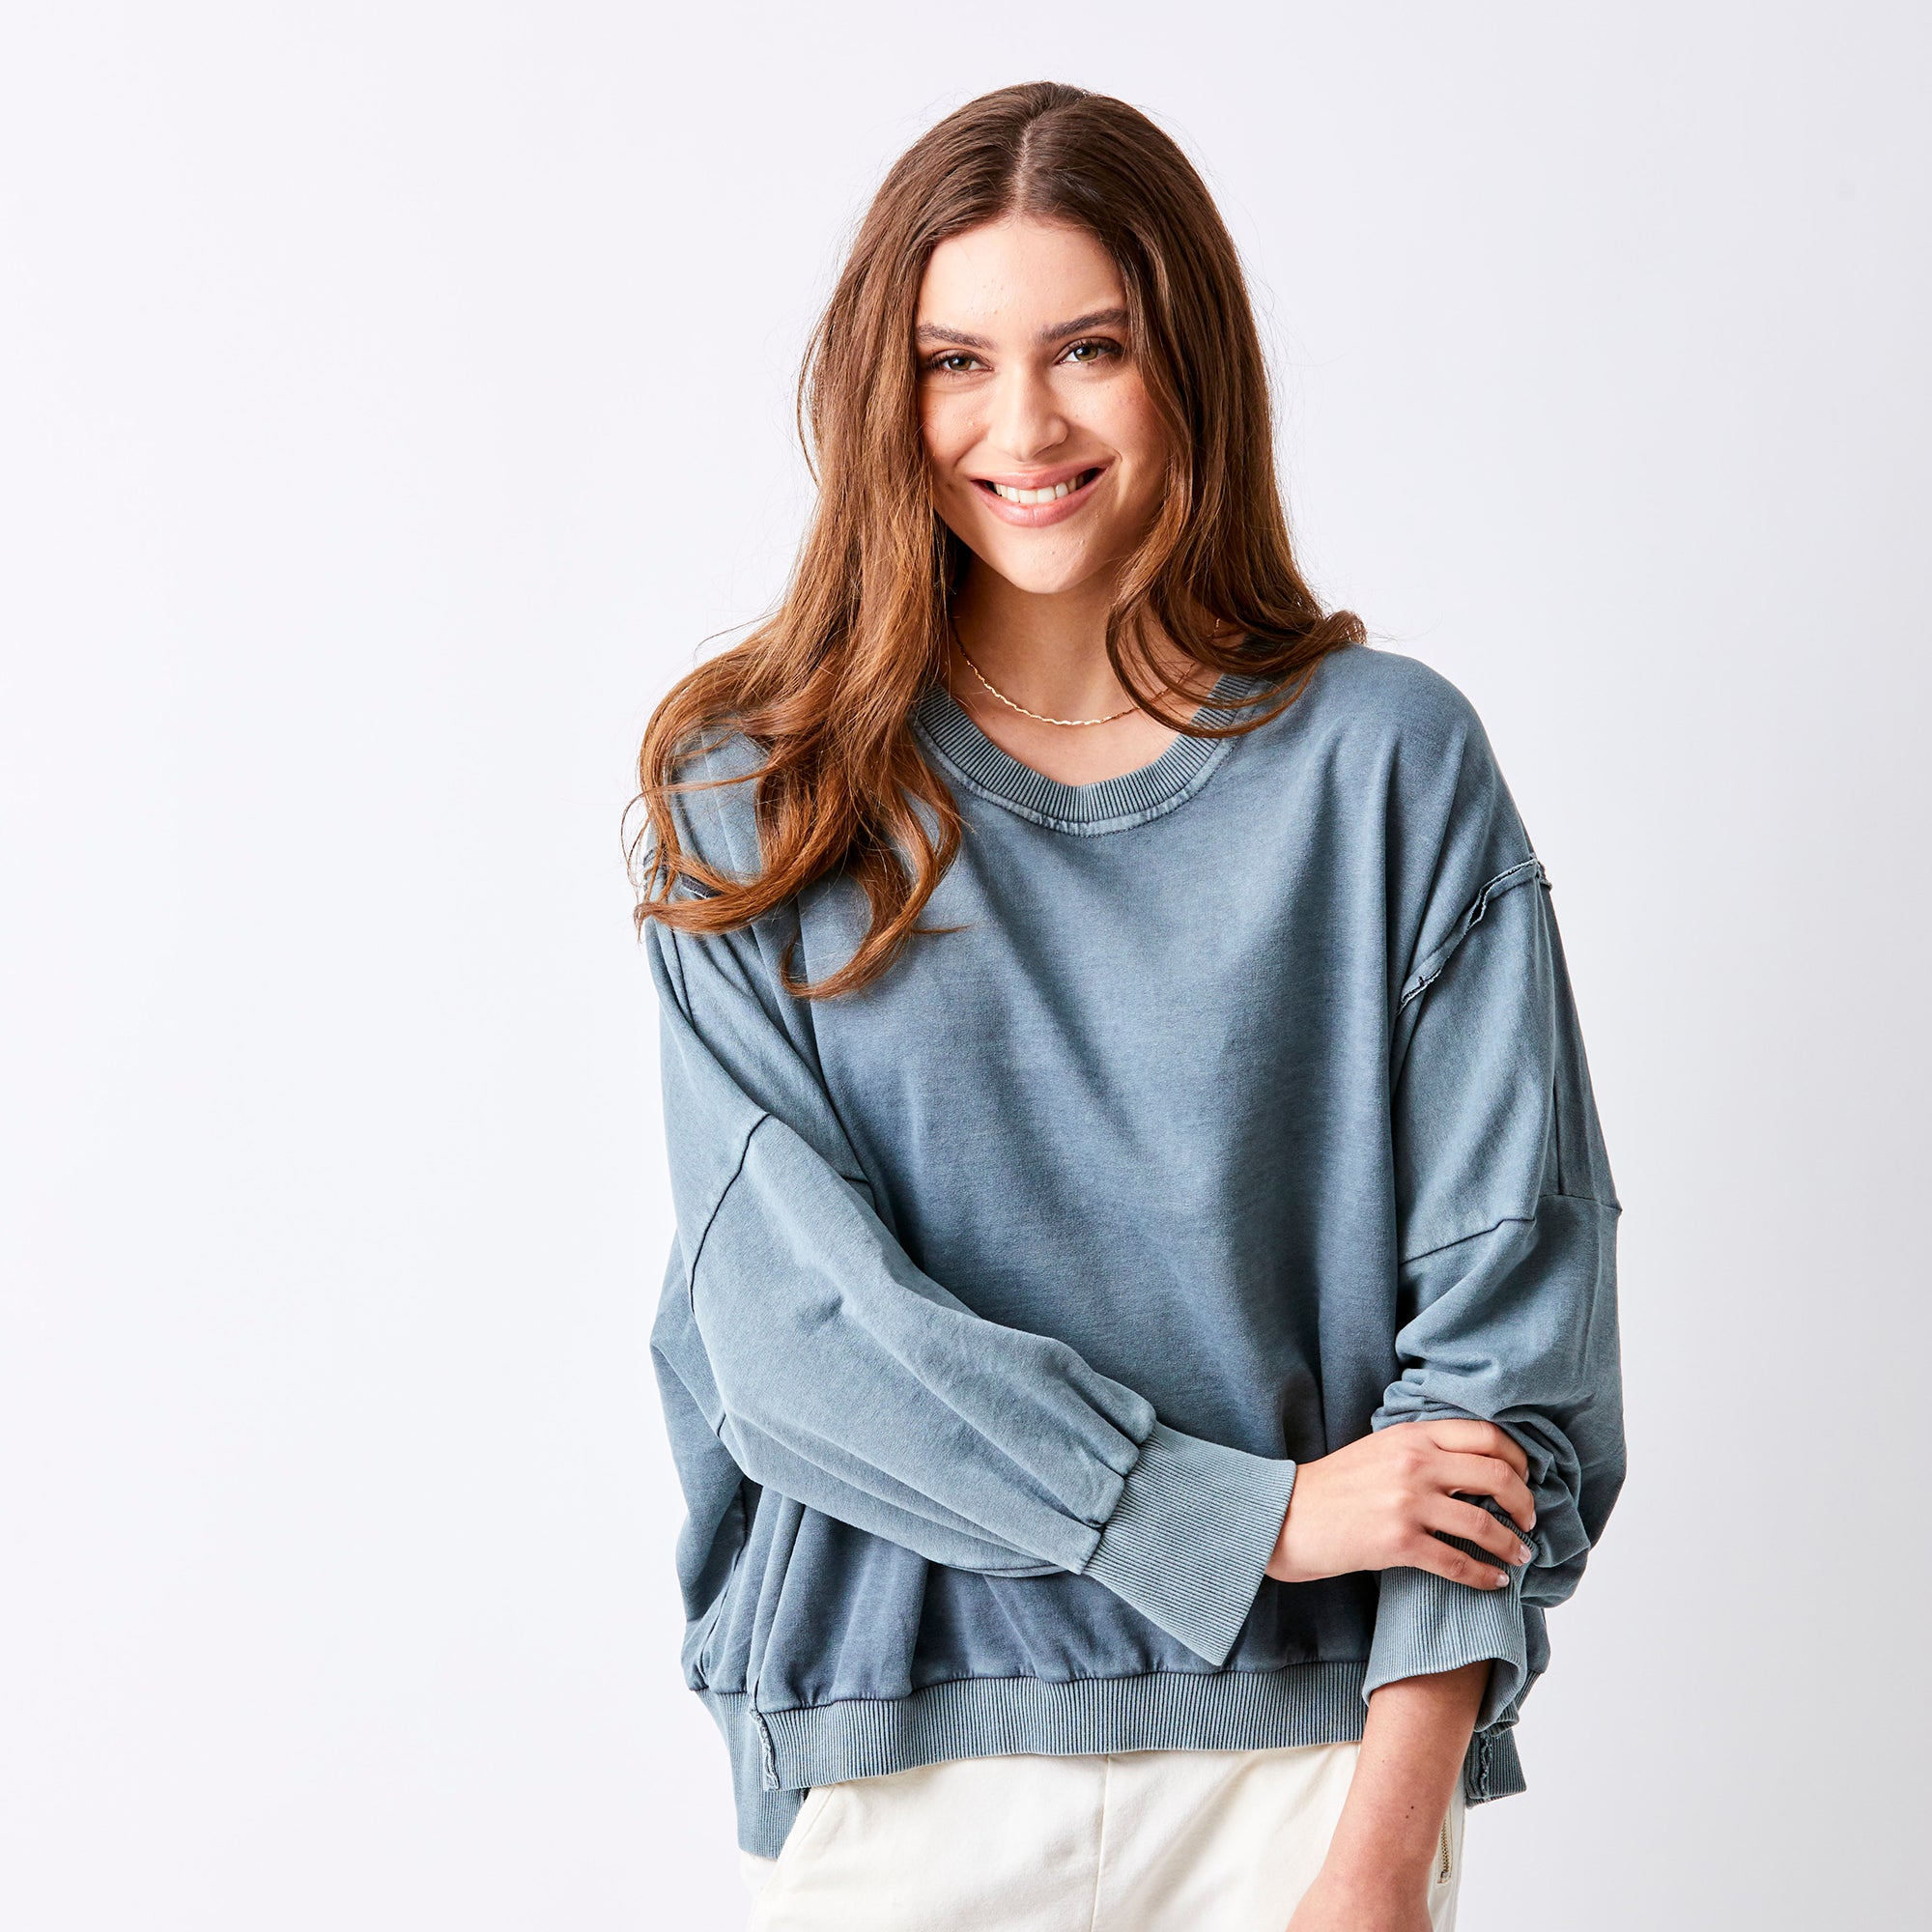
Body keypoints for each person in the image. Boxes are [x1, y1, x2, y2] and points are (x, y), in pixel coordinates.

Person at [631, 80, 1623, 1932]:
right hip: (900, 1750)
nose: (1022, 427)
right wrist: (1252, 1517)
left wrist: (1385, 1859)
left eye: (1088, 349)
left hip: (1305, 1772)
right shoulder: (761, 793)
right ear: (884, 393)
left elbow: (1505, 1364)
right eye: (955, 362)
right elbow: (792, 1340)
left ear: (1189, 366)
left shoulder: (1389, 770)